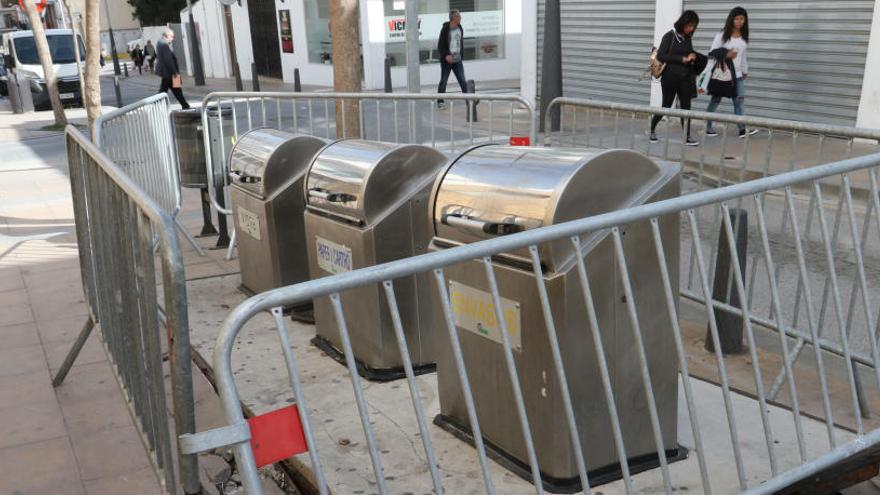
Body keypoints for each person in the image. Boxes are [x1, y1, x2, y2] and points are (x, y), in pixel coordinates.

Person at [704, 6, 757, 138]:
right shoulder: (722, 35)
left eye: (742, 19)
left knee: (738, 102)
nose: (739, 21)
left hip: (737, 75)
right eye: (737, 18)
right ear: (731, 19)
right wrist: (726, 54)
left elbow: (743, 56)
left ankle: (742, 130)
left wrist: (745, 70)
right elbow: (711, 53)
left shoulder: (744, 37)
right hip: (723, 75)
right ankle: (708, 127)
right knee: (715, 100)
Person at [650, 10, 702, 146]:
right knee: (666, 105)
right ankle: (652, 130)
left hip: (685, 78)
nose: (691, 29)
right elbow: (661, 55)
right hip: (670, 77)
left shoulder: (688, 37)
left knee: (686, 107)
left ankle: (687, 136)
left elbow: (689, 52)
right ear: (682, 23)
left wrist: (692, 56)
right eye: (689, 26)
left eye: (693, 26)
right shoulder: (670, 36)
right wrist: (681, 58)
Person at [436, 9, 468, 109]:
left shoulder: (460, 27)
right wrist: (446, 55)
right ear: (453, 18)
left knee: (462, 80)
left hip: (457, 60)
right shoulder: (445, 29)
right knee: (444, 81)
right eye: (459, 16)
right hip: (447, 61)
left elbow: (459, 43)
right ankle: (440, 102)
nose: (460, 18)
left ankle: (469, 99)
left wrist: (461, 55)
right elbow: (440, 45)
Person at [155, 29, 190, 109]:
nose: (173, 38)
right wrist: (175, 73)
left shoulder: (160, 42)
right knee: (172, 90)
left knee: (174, 90)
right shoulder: (164, 44)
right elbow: (168, 60)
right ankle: (185, 105)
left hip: (168, 73)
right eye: (172, 36)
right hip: (170, 72)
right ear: (167, 35)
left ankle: (185, 105)